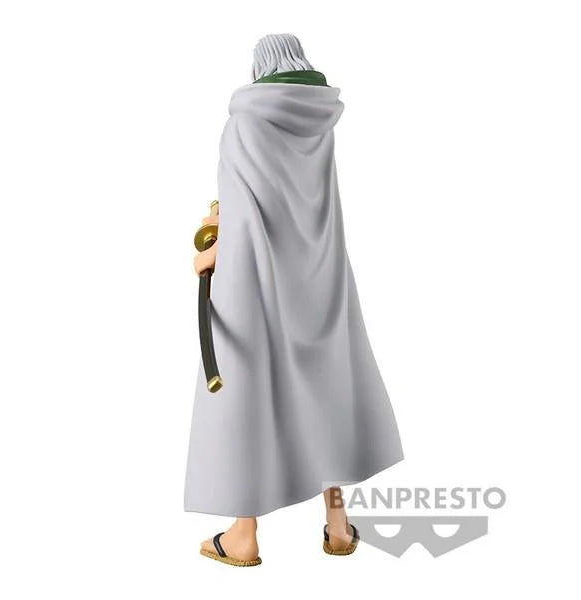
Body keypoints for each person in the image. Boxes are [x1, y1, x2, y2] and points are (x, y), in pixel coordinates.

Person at [185, 33, 403, 567]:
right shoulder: (319, 123)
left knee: (246, 392)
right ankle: (338, 526)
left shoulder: (244, 124)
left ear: (259, 68)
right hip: (320, 276)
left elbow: (243, 215)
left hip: (254, 281)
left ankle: (243, 534)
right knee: (325, 384)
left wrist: (209, 255)